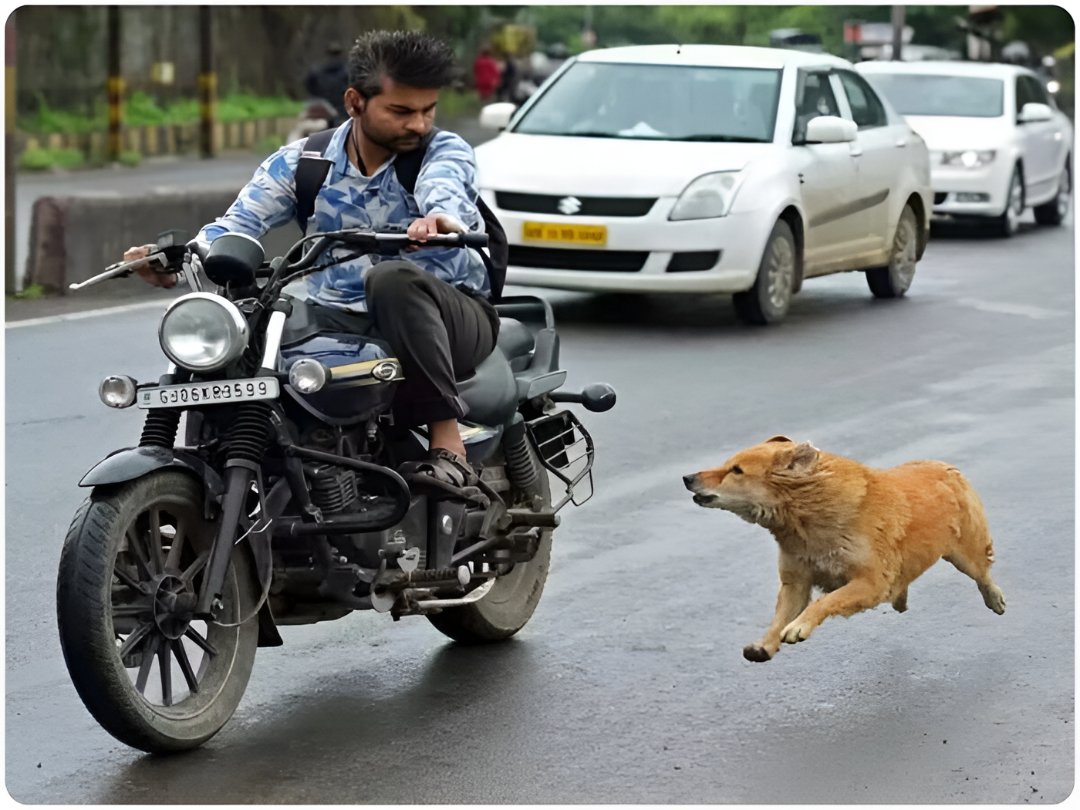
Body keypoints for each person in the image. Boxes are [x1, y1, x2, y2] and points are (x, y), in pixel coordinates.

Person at [126, 30, 498, 490]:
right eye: (402, 111)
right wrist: (172, 258)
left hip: (448, 317)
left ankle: (447, 444)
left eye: (428, 111)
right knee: (248, 314)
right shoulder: (303, 163)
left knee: (391, 279)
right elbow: (237, 224)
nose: (419, 124)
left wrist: (439, 220)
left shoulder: (442, 151)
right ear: (354, 102)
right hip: (337, 320)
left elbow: (445, 192)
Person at [303, 41, 350, 127]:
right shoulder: (347, 71)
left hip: (321, 110)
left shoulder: (316, 71)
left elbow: (309, 88)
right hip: (341, 111)